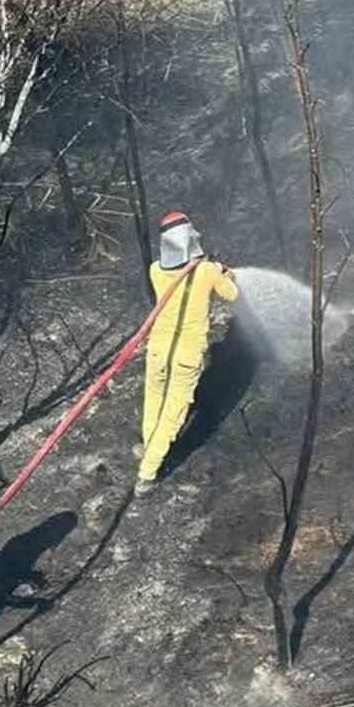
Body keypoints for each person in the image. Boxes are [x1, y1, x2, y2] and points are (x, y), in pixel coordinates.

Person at [136, 210, 239, 496]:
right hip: (186, 356)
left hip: (158, 351)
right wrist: (223, 271)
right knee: (173, 413)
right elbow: (232, 294)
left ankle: (149, 447)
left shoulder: (155, 270)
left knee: (154, 402)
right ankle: (147, 474)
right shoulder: (207, 272)